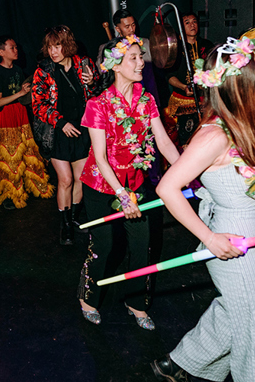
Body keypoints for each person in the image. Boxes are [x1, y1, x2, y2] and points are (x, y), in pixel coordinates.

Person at [153, 37, 255, 381]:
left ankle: (179, 363)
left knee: (239, 315)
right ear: (233, 85)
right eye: (253, 76)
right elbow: (167, 188)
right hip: (233, 249)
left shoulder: (253, 127)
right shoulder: (213, 136)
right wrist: (210, 239)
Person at [77, 36, 179, 329]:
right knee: (105, 246)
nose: (140, 62)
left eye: (140, 56)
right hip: (101, 186)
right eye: (133, 57)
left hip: (136, 182)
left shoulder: (146, 100)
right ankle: (88, 297)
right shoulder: (98, 105)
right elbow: (99, 157)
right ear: (116, 66)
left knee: (143, 245)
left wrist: (189, 172)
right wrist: (121, 194)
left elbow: (162, 141)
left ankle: (136, 302)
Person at [32, 25, 99, 245]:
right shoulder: (44, 70)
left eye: (57, 45)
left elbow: (98, 92)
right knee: (66, 179)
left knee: (80, 178)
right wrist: (61, 122)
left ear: (67, 44)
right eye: (50, 47)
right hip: (57, 133)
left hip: (81, 129)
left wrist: (93, 83)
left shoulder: (84, 63)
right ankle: (65, 226)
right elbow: (38, 105)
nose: (53, 51)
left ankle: (73, 218)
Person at [0, 35, 53, 209]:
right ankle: (12, 194)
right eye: (12, 48)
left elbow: (23, 94)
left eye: (16, 47)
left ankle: (36, 186)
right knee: (11, 156)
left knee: (29, 150)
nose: (16, 50)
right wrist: (19, 93)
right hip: (7, 117)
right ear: (2, 52)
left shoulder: (17, 70)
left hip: (21, 114)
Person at [166, 12, 215, 146]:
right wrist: (183, 87)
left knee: (209, 135)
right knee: (188, 136)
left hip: (205, 98)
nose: (192, 25)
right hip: (184, 100)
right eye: (187, 22)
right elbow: (170, 76)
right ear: (181, 27)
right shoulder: (175, 48)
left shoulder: (207, 45)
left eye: (194, 21)